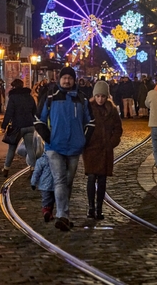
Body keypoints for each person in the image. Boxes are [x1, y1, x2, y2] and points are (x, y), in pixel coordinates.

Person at [35, 66, 94, 232]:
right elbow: (38, 119)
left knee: (68, 181)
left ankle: (63, 214)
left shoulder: (81, 98)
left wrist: (84, 139)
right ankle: (62, 215)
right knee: (60, 179)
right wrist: (48, 137)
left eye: (70, 78)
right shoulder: (50, 97)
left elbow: (91, 121)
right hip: (54, 146)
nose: (67, 80)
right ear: (59, 79)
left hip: (75, 147)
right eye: (64, 77)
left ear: (74, 80)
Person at [84, 80, 123, 220]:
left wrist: (112, 142)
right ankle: (91, 208)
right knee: (91, 177)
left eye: (103, 96)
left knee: (102, 180)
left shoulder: (111, 110)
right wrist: (85, 141)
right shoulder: (88, 108)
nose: (100, 99)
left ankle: (99, 208)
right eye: (98, 96)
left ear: (107, 96)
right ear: (94, 95)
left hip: (105, 149)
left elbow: (118, 129)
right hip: (91, 148)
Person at [1, 78, 39, 177]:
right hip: (29, 125)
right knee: (30, 148)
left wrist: (4, 126)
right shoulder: (29, 97)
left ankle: (6, 169)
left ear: (14, 87)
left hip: (17, 126)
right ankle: (33, 169)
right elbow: (34, 111)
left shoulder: (13, 97)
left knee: (11, 148)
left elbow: (9, 112)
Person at [31, 153, 55, 222]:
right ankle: (49, 213)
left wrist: (33, 183)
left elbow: (36, 172)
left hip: (44, 186)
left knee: (46, 200)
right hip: (55, 185)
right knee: (52, 200)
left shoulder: (41, 160)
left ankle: (46, 212)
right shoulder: (57, 159)